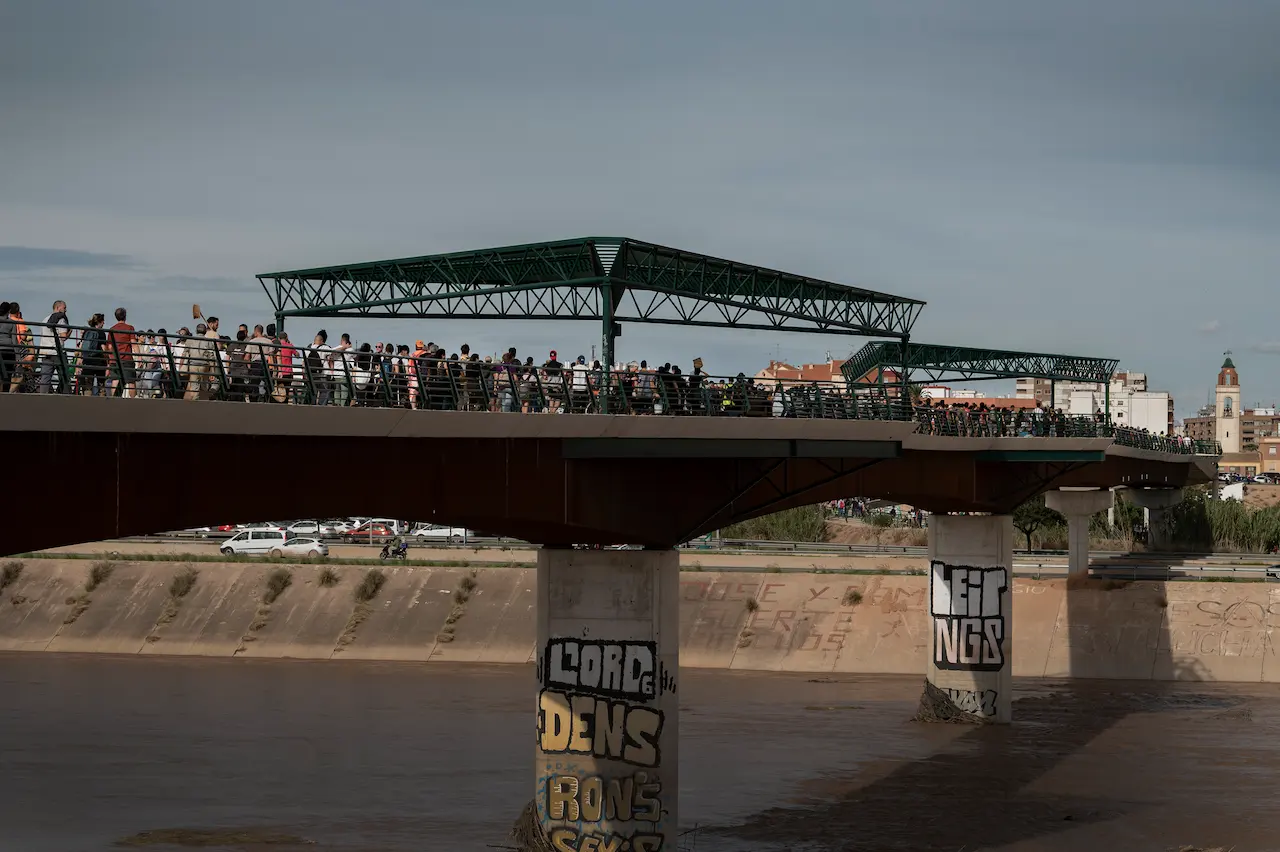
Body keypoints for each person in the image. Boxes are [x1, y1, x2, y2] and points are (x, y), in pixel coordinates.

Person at [37, 299, 70, 393]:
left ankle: (43, 397)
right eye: (64, 307)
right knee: (64, 376)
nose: (66, 310)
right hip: (57, 352)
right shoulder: (61, 319)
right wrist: (70, 331)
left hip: (45, 352)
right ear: (58, 307)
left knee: (45, 377)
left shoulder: (45, 319)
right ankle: (64, 396)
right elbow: (63, 337)